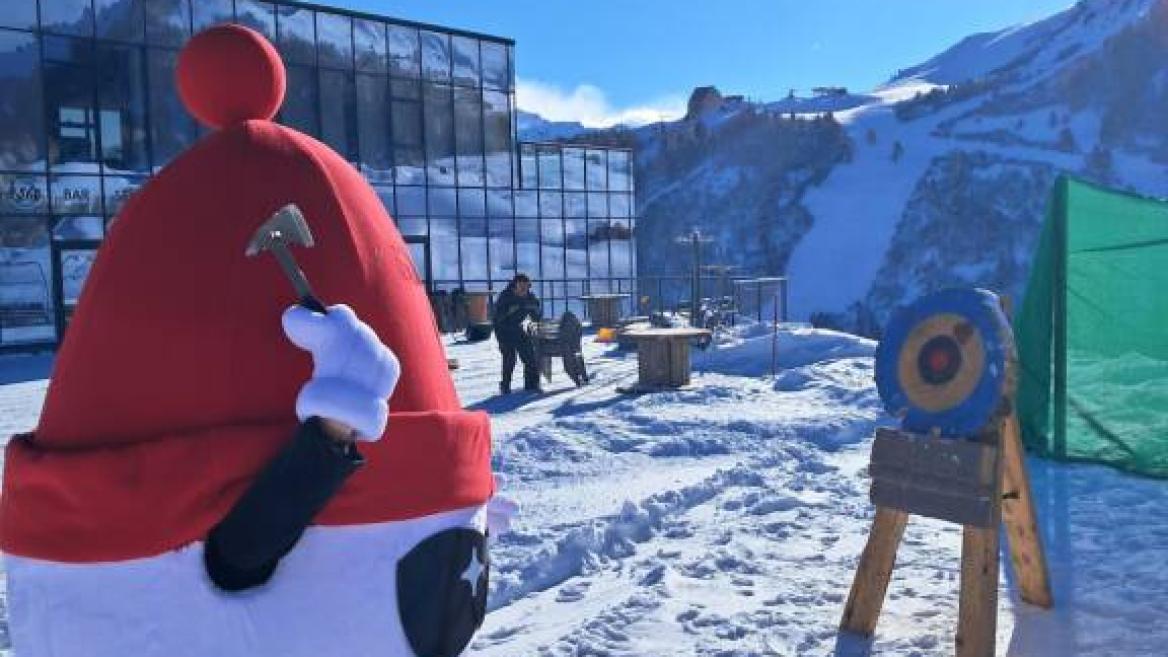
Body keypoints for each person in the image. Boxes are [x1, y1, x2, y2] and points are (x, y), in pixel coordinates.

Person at [493, 273, 543, 394]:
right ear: (514, 286)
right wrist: (508, 312)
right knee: (509, 359)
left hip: (519, 329)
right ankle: (505, 385)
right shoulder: (505, 296)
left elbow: (536, 316)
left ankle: (532, 384)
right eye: (521, 287)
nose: (524, 290)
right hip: (503, 331)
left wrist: (536, 309)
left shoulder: (529, 297)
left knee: (530, 357)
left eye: (527, 287)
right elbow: (496, 317)